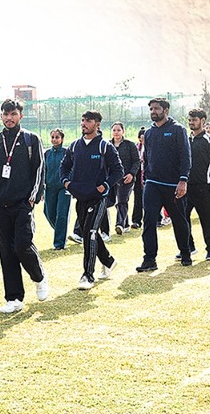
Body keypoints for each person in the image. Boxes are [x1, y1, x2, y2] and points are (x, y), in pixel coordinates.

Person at [0, 99, 49, 313]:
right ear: (1, 116)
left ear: (20, 115)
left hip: (23, 203)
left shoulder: (31, 139)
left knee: (22, 245)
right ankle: (13, 298)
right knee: (5, 252)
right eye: (5, 114)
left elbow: (40, 169)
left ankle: (39, 277)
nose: (9, 118)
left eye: (13, 114)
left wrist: (32, 198)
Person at [62, 109, 123, 288]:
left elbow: (118, 170)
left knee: (88, 233)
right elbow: (64, 167)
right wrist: (66, 182)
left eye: (88, 121)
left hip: (98, 198)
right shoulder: (74, 146)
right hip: (80, 198)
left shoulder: (105, 146)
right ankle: (109, 261)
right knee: (92, 233)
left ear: (97, 124)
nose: (84, 123)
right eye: (82, 120)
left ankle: (88, 275)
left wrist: (105, 186)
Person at [134, 98, 192, 272]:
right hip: (152, 184)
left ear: (166, 110)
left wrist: (183, 180)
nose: (153, 111)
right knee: (149, 221)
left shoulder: (178, 130)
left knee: (179, 220)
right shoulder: (149, 133)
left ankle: (185, 252)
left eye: (156, 108)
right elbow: (147, 157)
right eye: (151, 109)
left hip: (173, 185)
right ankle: (149, 259)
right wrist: (146, 179)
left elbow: (185, 157)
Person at [185, 108, 210, 261]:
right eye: (190, 120)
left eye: (194, 120)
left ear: (203, 121)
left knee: (208, 221)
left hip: (204, 188)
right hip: (186, 188)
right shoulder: (185, 140)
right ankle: (188, 247)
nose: (191, 122)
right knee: (182, 219)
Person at [42, 128, 72, 251]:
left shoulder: (67, 152)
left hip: (63, 188)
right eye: (53, 137)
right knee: (48, 212)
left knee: (61, 215)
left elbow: (71, 168)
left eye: (57, 137)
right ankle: (61, 231)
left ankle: (59, 243)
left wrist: (70, 183)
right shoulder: (47, 153)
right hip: (49, 187)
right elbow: (42, 170)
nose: (54, 140)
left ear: (62, 139)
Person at [112, 123, 141, 232]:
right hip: (113, 179)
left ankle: (120, 225)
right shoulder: (108, 145)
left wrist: (131, 174)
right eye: (114, 130)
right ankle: (126, 224)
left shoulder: (130, 145)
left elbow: (136, 161)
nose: (116, 132)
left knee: (122, 200)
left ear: (123, 131)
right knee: (115, 202)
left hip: (127, 178)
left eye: (118, 130)